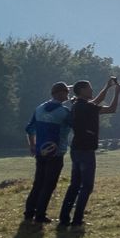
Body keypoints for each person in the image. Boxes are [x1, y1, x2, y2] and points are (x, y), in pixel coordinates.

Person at [58, 77, 120, 229]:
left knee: (74, 185)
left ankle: (64, 218)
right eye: (89, 88)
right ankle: (77, 220)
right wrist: (113, 91)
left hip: (76, 149)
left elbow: (105, 104)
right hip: (86, 150)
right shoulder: (84, 106)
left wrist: (111, 90)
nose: (91, 90)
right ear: (81, 91)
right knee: (86, 186)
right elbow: (107, 106)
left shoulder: (79, 106)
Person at [21, 82, 72, 225]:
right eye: (66, 92)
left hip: (40, 151)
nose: (68, 95)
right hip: (56, 153)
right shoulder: (64, 112)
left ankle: (29, 212)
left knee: (38, 183)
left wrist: (32, 145)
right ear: (60, 93)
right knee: (49, 184)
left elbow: (30, 129)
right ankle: (40, 215)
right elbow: (76, 124)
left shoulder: (39, 108)